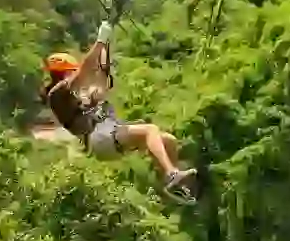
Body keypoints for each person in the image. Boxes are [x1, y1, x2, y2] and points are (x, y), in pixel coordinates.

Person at [39, 20, 198, 204]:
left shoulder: (80, 95)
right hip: (99, 137)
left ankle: (171, 186)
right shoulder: (57, 95)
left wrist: (105, 46)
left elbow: (100, 78)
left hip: (108, 133)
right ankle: (172, 175)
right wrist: (100, 41)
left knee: (168, 141)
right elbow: (86, 69)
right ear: (63, 74)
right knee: (150, 130)